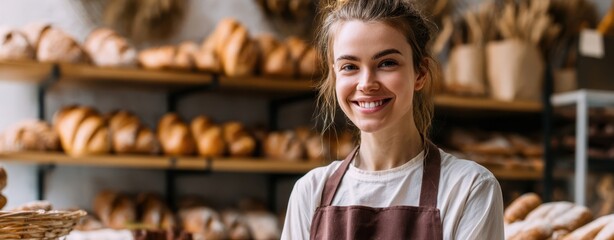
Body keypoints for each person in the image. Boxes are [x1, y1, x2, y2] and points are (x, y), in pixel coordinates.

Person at [281, 0, 504, 239]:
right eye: (349, 66)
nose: (366, 83)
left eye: (387, 63)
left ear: (420, 73)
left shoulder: (469, 187)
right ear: (334, 74)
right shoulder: (311, 192)